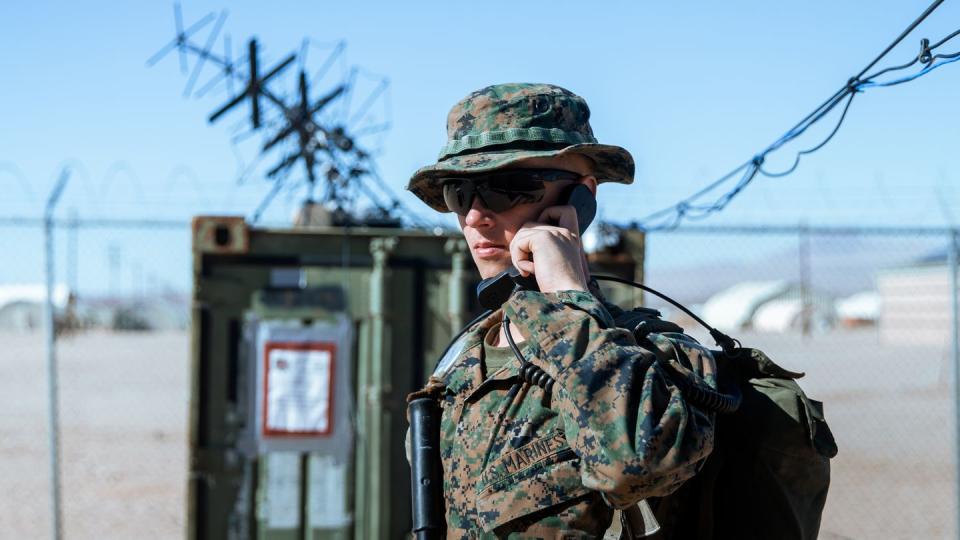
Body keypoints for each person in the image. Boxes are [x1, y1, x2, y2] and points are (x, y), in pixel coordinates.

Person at [406, 83, 719, 538]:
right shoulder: (461, 364)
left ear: (580, 199)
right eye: (459, 193)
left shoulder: (653, 359)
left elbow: (636, 464)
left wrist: (567, 293)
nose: (474, 217)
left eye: (506, 188)